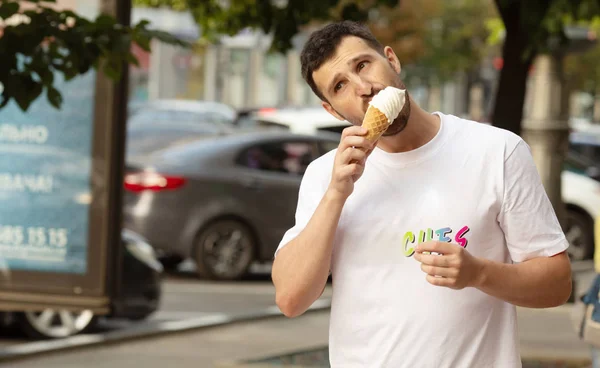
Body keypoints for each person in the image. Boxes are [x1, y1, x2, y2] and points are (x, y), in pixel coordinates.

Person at [271, 20, 573, 368]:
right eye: (340, 86)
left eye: (363, 65)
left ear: (392, 60)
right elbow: (291, 299)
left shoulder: (497, 151)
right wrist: (337, 193)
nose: (364, 88)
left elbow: (557, 283)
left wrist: (478, 274)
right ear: (332, 110)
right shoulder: (325, 175)